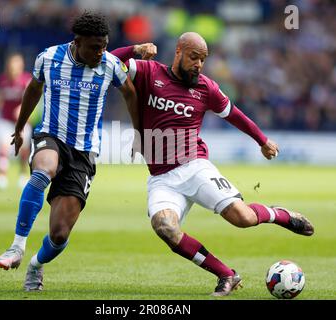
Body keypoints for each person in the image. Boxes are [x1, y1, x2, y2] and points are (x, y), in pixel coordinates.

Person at [111, 32, 314, 297]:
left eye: (203, 60)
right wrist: (136, 49)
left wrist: (262, 141)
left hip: (195, 166)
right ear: (179, 52)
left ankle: (280, 214)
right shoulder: (150, 72)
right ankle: (226, 274)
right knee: (165, 228)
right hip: (161, 178)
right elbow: (109, 61)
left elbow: (235, 115)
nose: (198, 64)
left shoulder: (206, 88)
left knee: (243, 219)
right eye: (194, 57)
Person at [0, 12, 149, 291]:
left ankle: (36, 265)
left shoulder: (111, 65)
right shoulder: (49, 58)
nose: (101, 52)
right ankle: (16, 247)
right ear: (77, 42)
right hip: (51, 135)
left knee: (59, 234)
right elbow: (33, 89)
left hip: (84, 152)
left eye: (104, 46)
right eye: (95, 47)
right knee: (43, 170)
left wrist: (138, 133)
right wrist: (19, 129)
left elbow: (130, 93)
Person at [0, 53, 33, 189]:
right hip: (5, 121)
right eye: (11, 65)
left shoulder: (26, 80)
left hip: (22, 123)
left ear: (21, 66)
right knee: (3, 147)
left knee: (23, 151)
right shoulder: (2, 80)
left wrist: (21, 108)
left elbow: (31, 100)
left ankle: (22, 174)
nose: (13, 68)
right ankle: (2, 177)